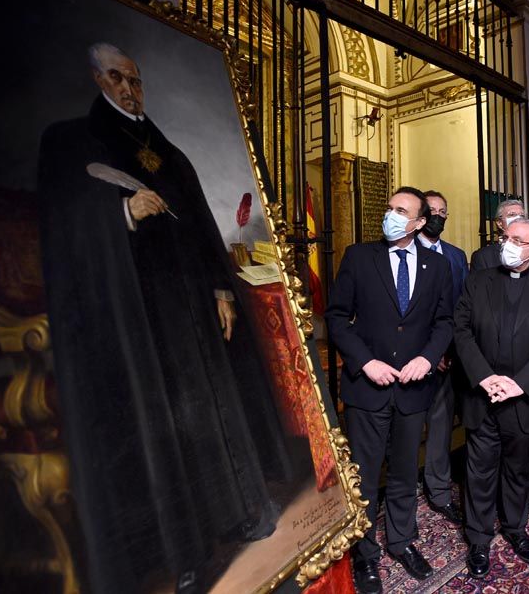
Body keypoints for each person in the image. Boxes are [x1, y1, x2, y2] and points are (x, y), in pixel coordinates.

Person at [37, 43, 281, 594]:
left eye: (136, 80)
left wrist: (221, 288)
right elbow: (67, 230)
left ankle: (238, 511)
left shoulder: (166, 152)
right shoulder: (76, 141)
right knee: (171, 423)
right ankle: (187, 549)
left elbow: (197, 225)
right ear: (99, 79)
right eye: (118, 78)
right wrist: (123, 211)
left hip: (194, 304)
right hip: (141, 317)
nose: (130, 88)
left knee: (216, 410)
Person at [325, 186, 454, 594]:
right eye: (390, 207)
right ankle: (364, 554)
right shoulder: (359, 257)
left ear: (419, 222)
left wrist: (428, 358)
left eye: (402, 210)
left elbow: (445, 322)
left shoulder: (438, 266)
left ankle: (401, 540)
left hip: (414, 390)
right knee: (363, 475)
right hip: (368, 388)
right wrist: (365, 362)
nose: (392, 214)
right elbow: (337, 317)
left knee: (402, 472)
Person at [454, 219, 529, 578]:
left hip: (524, 399)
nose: (508, 244)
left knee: (517, 471)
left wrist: (520, 384)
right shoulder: (478, 281)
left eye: (518, 240)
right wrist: (485, 377)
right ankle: (479, 539)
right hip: (482, 396)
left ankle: (516, 529)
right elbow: (462, 331)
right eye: (506, 237)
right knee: (480, 471)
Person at [469, 198, 529, 509]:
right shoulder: (483, 260)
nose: (516, 219)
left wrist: (524, 379)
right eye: (510, 217)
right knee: (487, 452)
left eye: (521, 216)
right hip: (490, 368)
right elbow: (473, 321)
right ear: (499, 226)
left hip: (527, 372)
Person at [418, 190, 469, 525]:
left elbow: (460, 306)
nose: (438, 216)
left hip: (447, 356)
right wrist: (429, 351)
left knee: (440, 426)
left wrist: (449, 350)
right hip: (412, 356)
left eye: (443, 211)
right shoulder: (401, 250)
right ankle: (403, 486)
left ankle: (437, 489)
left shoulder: (456, 255)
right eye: (432, 210)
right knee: (405, 429)